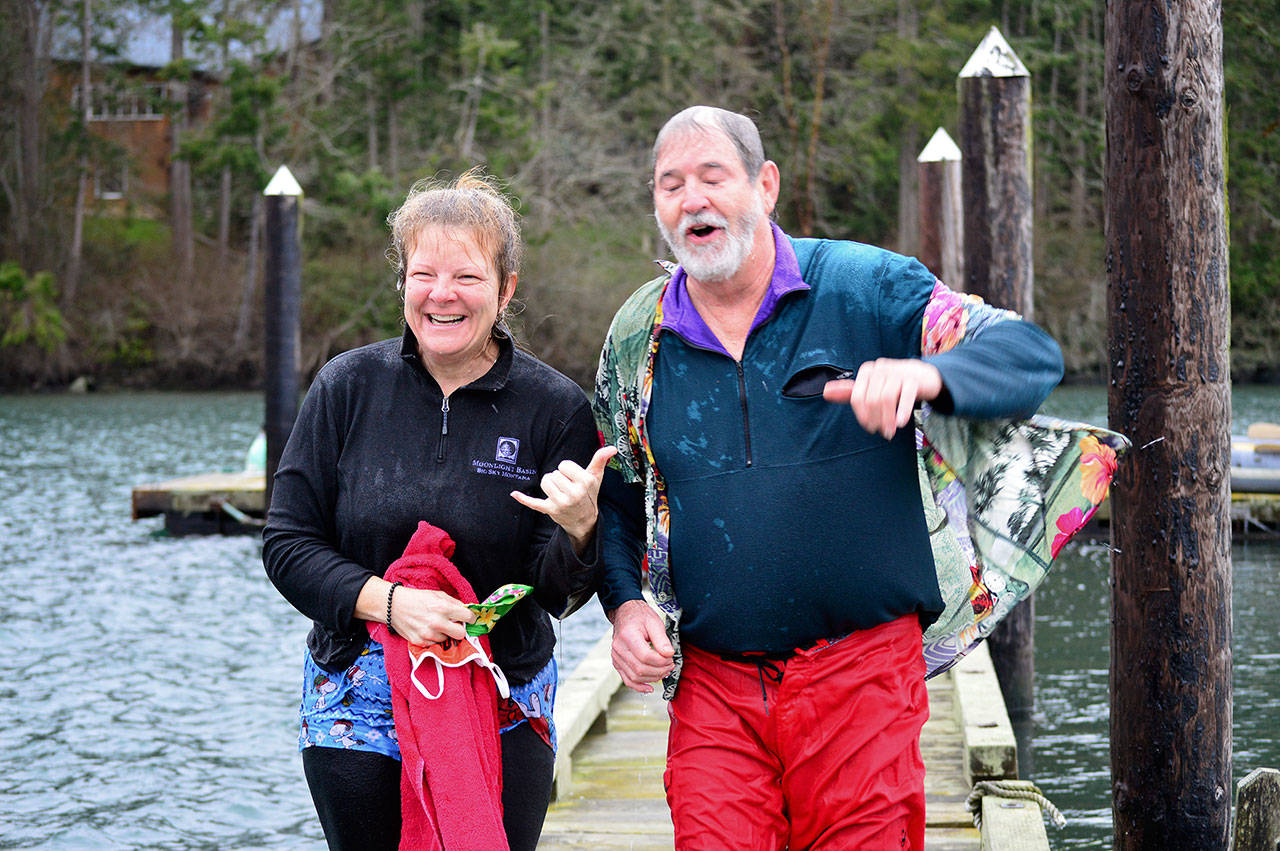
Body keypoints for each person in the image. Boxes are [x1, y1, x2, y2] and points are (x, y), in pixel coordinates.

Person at [592, 106, 1065, 849]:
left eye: (712, 177)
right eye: (670, 185)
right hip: (713, 687)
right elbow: (618, 495)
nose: (692, 201)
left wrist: (926, 373)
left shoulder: (865, 286)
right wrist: (623, 606)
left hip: (862, 674)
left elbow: (1028, 354)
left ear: (765, 184)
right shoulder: (636, 336)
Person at [263, 169, 613, 851]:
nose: (442, 295)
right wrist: (389, 603)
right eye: (424, 274)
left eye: (468, 277)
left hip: (502, 693)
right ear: (402, 282)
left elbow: (558, 594)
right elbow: (286, 545)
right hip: (358, 697)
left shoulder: (555, 408)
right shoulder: (345, 386)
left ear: (506, 288)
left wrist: (579, 529)